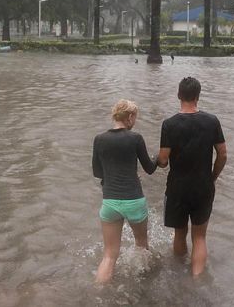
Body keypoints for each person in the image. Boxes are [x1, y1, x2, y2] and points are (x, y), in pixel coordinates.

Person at [157, 77, 227, 277]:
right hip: (203, 186)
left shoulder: (169, 124)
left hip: (178, 187)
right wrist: (212, 177)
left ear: (179, 95)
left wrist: (155, 159)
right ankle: (196, 280)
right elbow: (222, 154)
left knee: (180, 234)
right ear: (198, 96)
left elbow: (163, 160)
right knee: (200, 237)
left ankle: (179, 279)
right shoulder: (212, 121)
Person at [92, 99, 157, 283]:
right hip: (134, 200)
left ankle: (98, 293)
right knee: (142, 246)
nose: (134, 121)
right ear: (129, 117)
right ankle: (144, 285)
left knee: (109, 256)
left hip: (110, 203)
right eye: (135, 117)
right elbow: (150, 168)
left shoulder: (99, 139)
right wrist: (158, 158)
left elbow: (97, 172)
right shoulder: (135, 138)